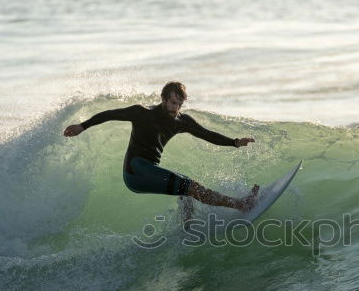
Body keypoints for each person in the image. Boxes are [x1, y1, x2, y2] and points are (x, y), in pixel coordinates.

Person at [63, 82, 258, 220]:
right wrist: (83, 126)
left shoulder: (182, 121)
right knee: (191, 186)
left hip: (148, 170)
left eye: (180, 104)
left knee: (187, 191)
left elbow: (207, 134)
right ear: (163, 98)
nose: (176, 109)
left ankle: (187, 228)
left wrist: (235, 142)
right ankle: (241, 205)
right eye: (173, 103)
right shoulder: (141, 112)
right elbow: (110, 114)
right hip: (135, 171)